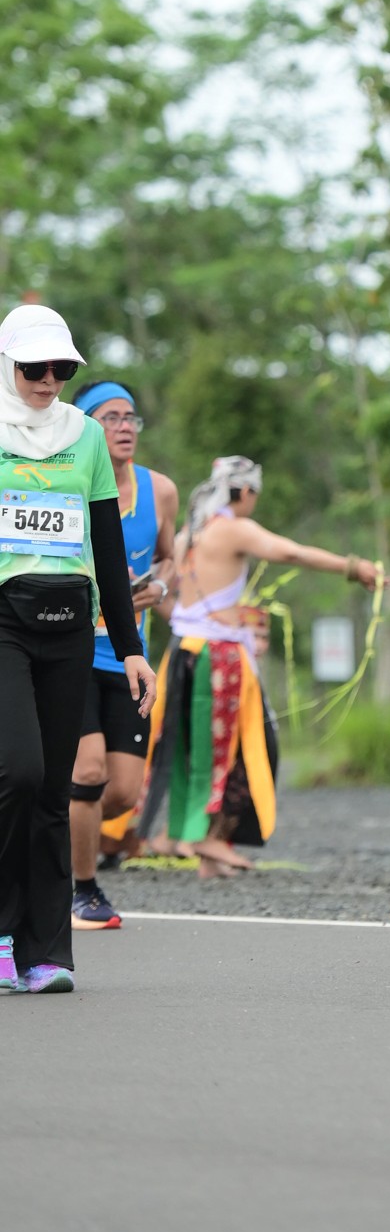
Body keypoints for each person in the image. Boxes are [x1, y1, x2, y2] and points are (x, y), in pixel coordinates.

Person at [0, 305, 157, 997]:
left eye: (60, 368)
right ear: (8, 366)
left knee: (52, 793)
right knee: (20, 772)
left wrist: (130, 648)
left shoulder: (85, 436)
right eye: (33, 368)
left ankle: (43, 953)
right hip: (4, 620)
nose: (47, 380)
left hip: (70, 622)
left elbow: (107, 543)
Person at [138, 456, 379, 877]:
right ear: (246, 491)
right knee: (236, 747)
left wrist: (190, 620)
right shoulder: (231, 527)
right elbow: (289, 551)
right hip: (217, 657)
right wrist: (352, 567)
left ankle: (208, 848)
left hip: (182, 651)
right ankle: (207, 837)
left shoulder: (190, 533)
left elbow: (155, 590)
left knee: (197, 748)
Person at [66, 382, 178, 931]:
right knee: (87, 772)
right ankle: (82, 890)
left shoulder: (161, 491)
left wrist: (160, 587)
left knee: (121, 794)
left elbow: (169, 558)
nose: (125, 426)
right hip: (71, 650)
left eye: (131, 416)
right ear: (85, 426)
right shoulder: (64, 482)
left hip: (128, 657)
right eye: (110, 417)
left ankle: (42, 839)